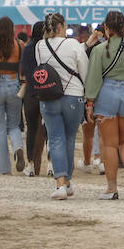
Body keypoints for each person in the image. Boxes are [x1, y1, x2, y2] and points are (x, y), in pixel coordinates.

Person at [85, 11, 124, 200]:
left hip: (107, 94)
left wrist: (90, 102)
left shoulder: (99, 50)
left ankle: (112, 188)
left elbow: (94, 78)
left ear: (107, 28)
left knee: (109, 144)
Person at [34, 12, 90, 199]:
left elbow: (40, 67)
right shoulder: (73, 44)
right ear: (61, 27)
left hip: (48, 95)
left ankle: (60, 184)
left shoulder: (40, 46)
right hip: (73, 96)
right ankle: (67, 180)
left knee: (55, 138)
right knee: (69, 138)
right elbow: (84, 71)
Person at [0, 17, 26, 175]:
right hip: (14, 84)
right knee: (14, 125)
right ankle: (18, 148)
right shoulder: (19, 45)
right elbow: (22, 69)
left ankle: (4, 168)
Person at [18, 21, 46, 177]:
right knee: (49, 129)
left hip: (30, 92)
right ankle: (50, 164)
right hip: (47, 92)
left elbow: (23, 70)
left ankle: (31, 164)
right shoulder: (47, 47)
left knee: (31, 129)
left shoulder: (28, 48)